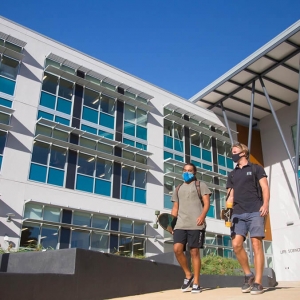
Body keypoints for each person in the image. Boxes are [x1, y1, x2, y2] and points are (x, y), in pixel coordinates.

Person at [226, 142, 270, 295]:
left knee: (256, 244)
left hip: (255, 210)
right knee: (236, 244)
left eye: (235, 151)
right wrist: (227, 210)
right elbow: (230, 195)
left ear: (243, 152)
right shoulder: (232, 174)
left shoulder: (256, 168)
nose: (233, 153)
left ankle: (258, 282)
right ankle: (248, 275)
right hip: (238, 212)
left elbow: (265, 187)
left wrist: (265, 204)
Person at [171, 163, 211, 293]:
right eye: (185, 170)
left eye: (190, 171)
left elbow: (206, 204)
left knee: (194, 252)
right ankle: (188, 275)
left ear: (194, 173)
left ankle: (197, 282)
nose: (187, 172)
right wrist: (171, 223)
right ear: (182, 171)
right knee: (177, 249)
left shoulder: (201, 185)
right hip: (180, 224)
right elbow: (175, 208)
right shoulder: (178, 188)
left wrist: (202, 216)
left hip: (196, 224)